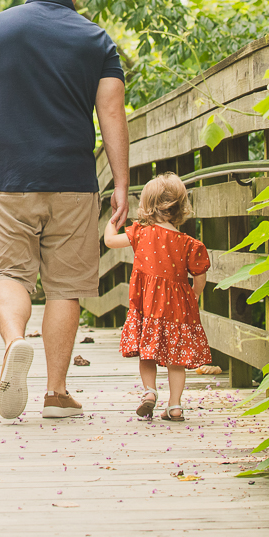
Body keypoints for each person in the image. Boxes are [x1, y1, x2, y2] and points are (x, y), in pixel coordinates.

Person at [0, 0, 131, 420]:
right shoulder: (97, 40)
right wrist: (123, 186)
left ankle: (14, 343)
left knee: (9, 274)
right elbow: (112, 113)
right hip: (72, 180)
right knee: (65, 287)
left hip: (9, 178)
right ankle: (55, 391)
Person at [105, 172, 211, 421]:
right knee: (177, 360)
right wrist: (193, 296)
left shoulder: (141, 233)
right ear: (181, 207)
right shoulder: (188, 243)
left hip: (147, 306)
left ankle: (150, 392)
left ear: (147, 206)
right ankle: (175, 406)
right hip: (177, 311)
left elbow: (110, 241)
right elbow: (200, 277)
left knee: (147, 352)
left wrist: (114, 219)